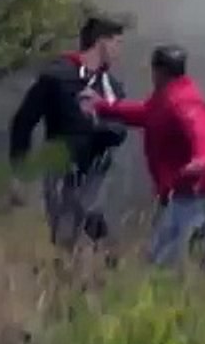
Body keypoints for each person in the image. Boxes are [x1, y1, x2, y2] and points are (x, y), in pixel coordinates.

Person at [83, 44, 205, 267]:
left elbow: (200, 132)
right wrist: (101, 107)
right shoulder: (166, 97)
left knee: (165, 259)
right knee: (174, 257)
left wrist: (201, 159)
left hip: (193, 193)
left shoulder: (184, 100)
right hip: (183, 191)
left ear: (159, 71)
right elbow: (145, 113)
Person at [9, 15, 129, 252]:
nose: (119, 51)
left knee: (96, 228)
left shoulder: (111, 87)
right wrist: (19, 171)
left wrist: (98, 124)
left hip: (98, 170)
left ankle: (97, 263)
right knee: (65, 235)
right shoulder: (57, 76)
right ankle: (67, 268)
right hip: (61, 167)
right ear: (101, 42)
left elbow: (120, 129)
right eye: (117, 43)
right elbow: (24, 121)